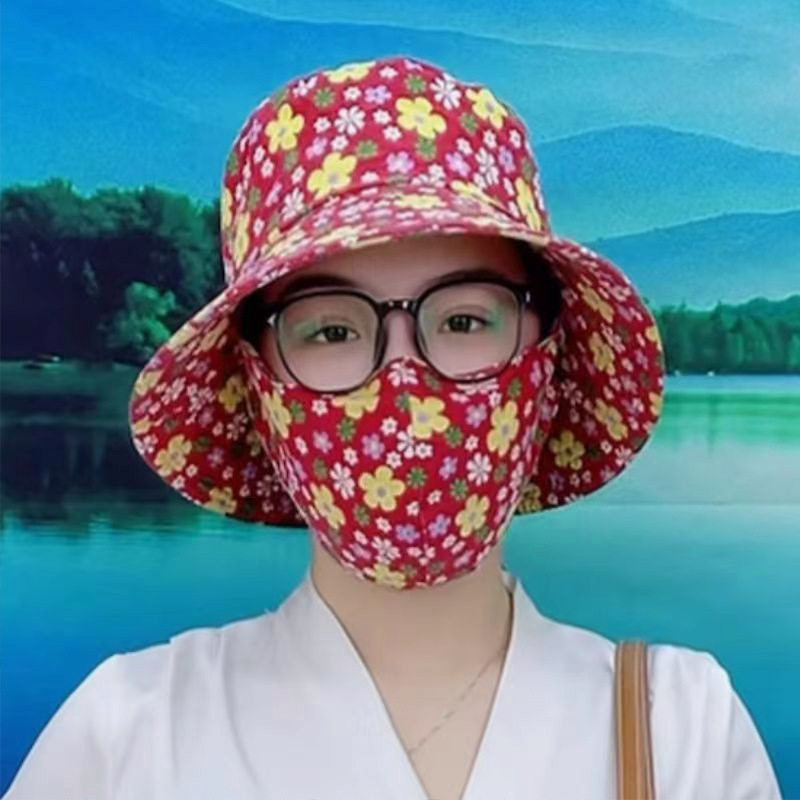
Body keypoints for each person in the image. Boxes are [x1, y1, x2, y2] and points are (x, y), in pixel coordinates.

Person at [3, 55, 783, 800]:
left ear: (546, 362)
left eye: (465, 319)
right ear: (257, 387)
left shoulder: (682, 734)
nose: (404, 383)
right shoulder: (127, 739)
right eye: (332, 330)